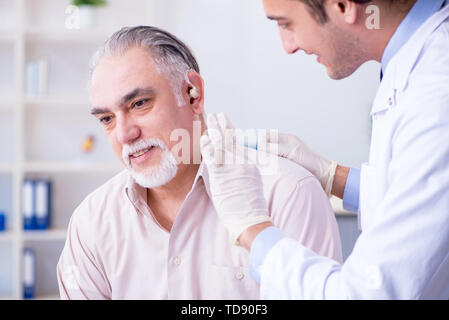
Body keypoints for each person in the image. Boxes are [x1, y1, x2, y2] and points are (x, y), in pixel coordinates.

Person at [56, 25, 343, 299]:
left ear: (193, 94)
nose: (124, 134)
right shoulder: (91, 222)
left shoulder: (288, 193)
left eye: (139, 103)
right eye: (107, 119)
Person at [201, 0, 449, 299]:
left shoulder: (436, 92)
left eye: (285, 23)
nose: (288, 46)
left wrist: (252, 229)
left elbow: (367, 292)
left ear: (343, 5)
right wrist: (333, 176)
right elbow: (420, 200)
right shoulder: (415, 65)